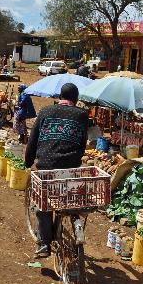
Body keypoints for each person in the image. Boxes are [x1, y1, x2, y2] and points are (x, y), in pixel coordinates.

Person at [24, 83, 89, 258]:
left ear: (60, 97)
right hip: (70, 168)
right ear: (76, 100)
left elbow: (33, 140)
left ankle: (44, 243)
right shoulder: (82, 115)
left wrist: (27, 161)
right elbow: (82, 145)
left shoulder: (45, 111)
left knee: (43, 205)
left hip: (46, 165)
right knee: (66, 197)